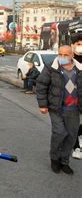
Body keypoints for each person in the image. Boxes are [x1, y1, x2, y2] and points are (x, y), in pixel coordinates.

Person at [36, 45, 81, 175]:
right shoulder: (51, 67)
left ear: (72, 55)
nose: (62, 57)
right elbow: (41, 85)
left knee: (72, 136)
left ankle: (64, 162)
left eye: (65, 55)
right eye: (60, 54)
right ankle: (54, 158)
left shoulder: (79, 69)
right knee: (59, 132)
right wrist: (42, 105)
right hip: (56, 108)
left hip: (74, 109)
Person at [71, 33, 82, 160]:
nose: (81, 47)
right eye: (78, 44)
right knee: (72, 124)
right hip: (71, 99)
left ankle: (79, 136)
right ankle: (76, 147)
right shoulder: (66, 59)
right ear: (72, 45)